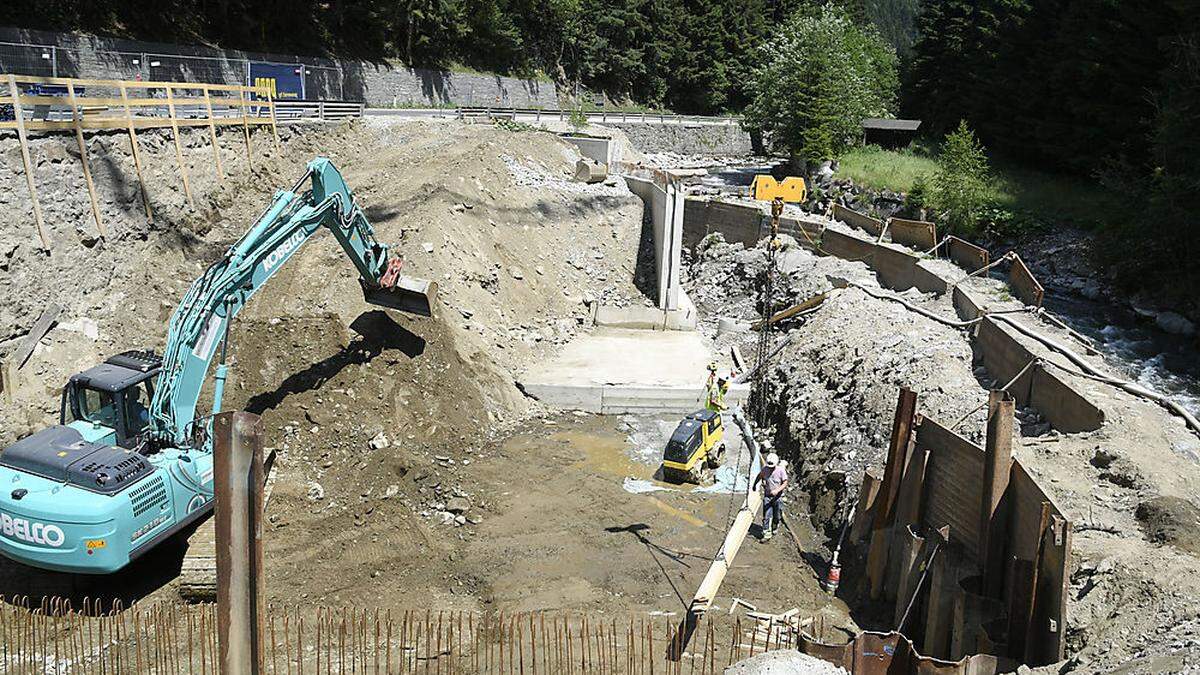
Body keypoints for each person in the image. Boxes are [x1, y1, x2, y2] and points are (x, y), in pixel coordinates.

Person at [753, 452, 788, 541]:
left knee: (776, 516)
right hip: (768, 496)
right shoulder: (765, 469)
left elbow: (785, 483)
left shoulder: (781, 471)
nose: (770, 468)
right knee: (766, 516)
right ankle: (766, 534)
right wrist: (754, 485)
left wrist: (777, 490)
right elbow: (759, 476)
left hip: (777, 497)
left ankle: (774, 526)